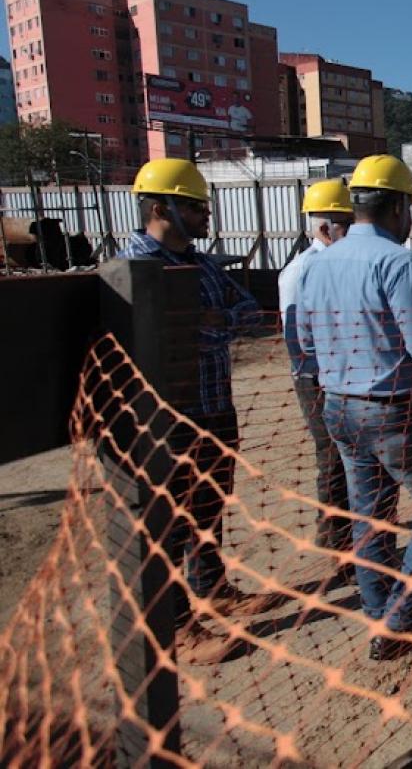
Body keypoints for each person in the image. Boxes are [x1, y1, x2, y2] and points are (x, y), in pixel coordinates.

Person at [297, 155, 412, 661]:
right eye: (409, 206)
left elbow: (304, 339)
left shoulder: (319, 261)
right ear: (396, 207)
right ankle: (403, 617)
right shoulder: (399, 262)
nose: (411, 218)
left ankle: (380, 623)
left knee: (371, 518)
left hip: (338, 408)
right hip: (398, 410)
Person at [119, 158, 277, 662]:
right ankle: (178, 628)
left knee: (209, 504)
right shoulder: (134, 267)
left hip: (214, 406)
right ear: (161, 207)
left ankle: (212, 588)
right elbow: (172, 332)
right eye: (196, 206)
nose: (207, 214)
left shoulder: (203, 263)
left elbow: (251, 315)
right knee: (166, 522)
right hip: (165, 417)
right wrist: (207, 324)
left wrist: (209, 322)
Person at [278, 179, 355, 580]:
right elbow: (298, 340)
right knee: (332, 457)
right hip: (316, 378)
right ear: (326, 228)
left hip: (335, 374)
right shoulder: (302, 271)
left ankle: (340, 531)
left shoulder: (334, 264)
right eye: (345, 224)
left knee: (344, 456)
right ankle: (337, 541)